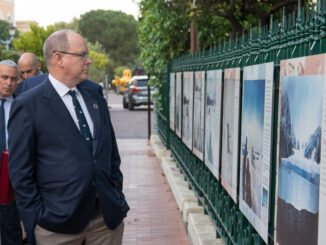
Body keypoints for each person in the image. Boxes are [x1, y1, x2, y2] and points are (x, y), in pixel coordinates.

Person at [8, 29, 129, 245]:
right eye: (82, 55)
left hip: (105, 223)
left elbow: (111, 154)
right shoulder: (27, 105)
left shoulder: (95, 96)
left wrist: (116, 196)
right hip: (56, 228)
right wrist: (35, 221)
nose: (88, 61)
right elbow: (20, 172)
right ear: (59, 58)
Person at [0, 60, 22, 244]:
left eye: (13, 79)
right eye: (4, 77)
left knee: (10, 225)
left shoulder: (22, 106)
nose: (9, 83)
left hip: (11, 175)